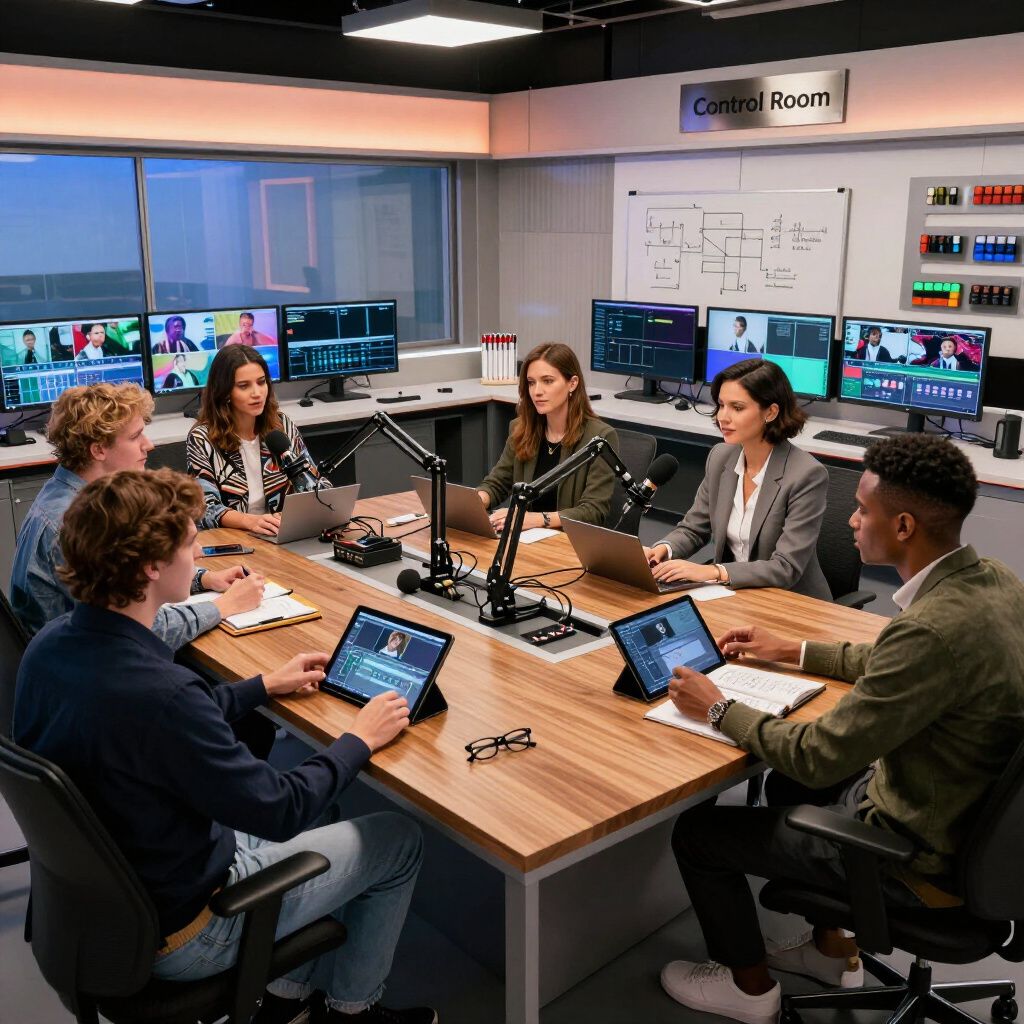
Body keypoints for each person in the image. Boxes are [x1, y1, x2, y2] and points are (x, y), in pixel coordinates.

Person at [12, 468, 437, 1024]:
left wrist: (263, 686)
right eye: (190, 543)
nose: (197, 555)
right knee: (398, 838)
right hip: (190, 930)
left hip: (105, 909)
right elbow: (280, 808)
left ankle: (284, 999)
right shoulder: (162, 692)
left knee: (327, 806)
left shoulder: (49, 647)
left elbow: (146, 731)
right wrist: (359, 739)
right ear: (151, 568)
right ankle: (351, 1013)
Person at [658, 434, 1024, 1024]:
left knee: (700, 832)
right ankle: (832, 951)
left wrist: (717, 706)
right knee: (785, 791)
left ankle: (749, 990)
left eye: (860, 509)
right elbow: (897, 660)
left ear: (903, 526)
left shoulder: (929, 631)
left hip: (917, 858)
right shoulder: (994, 582)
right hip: (964, 816)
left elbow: (817, 756)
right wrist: (795, 650)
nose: (850, 521)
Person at [10, 382, 263, 646]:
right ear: (98, 449)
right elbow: (139, 631)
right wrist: (224, 606)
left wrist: (204, 578)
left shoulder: (71, 495)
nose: (149, 445)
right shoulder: (80, 522)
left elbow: (132, 578)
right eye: (135, 437)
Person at [644, 359, 829, 599]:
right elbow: (694, 528)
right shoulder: (721, 457)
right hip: (734, 595)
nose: (723, 417)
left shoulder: (806, 475)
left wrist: (713, 572)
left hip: (790, 601)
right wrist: (663, 549)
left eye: (737, 408)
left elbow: (786, 567)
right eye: (721, 405)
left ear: (771, 412)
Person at [477, 342, 618, 531]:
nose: (537, 391)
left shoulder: (600, 438)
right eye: (531, 382)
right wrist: (476, 502)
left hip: (569, 544)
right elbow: (498, 483)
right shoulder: (521, 428)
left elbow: (592, 511)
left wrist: (533, 519)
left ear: (572, 383)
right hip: (526, 539)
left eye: (548, 381)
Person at [187, 346, 324, 538]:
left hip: (281, 532)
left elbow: (312, 479)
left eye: (261, 383)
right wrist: (250, 521)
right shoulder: (203, 438)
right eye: (244, 386)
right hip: (233, 537)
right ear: (225, 392)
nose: (257, 393)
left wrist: (327, 500)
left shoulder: (280, 425)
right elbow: (204, 509)